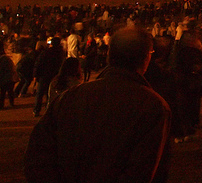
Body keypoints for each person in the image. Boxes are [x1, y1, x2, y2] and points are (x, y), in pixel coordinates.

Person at [25, 27, 171, 183]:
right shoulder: (153, 107)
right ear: (145, 58)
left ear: (109, 55)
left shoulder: (70, 97)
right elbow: (142, 170)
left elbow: (38, 155)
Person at [32, 36, 66, 117]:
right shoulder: (61, 53)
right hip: (54, 75)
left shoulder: (46, 52)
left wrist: (35, 75)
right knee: (50, 94)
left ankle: (37, 110)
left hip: (44, 75)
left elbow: (38, 63)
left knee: (40, 94)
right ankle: (48, 110)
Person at [0, 41, 18, 109]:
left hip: (7, 78)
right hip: (9, 78)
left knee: (4, 92)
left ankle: (2, 105)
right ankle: (11, 103)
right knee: (9, 92)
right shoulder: (5, 58)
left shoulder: (2, 59)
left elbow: (0, 70)